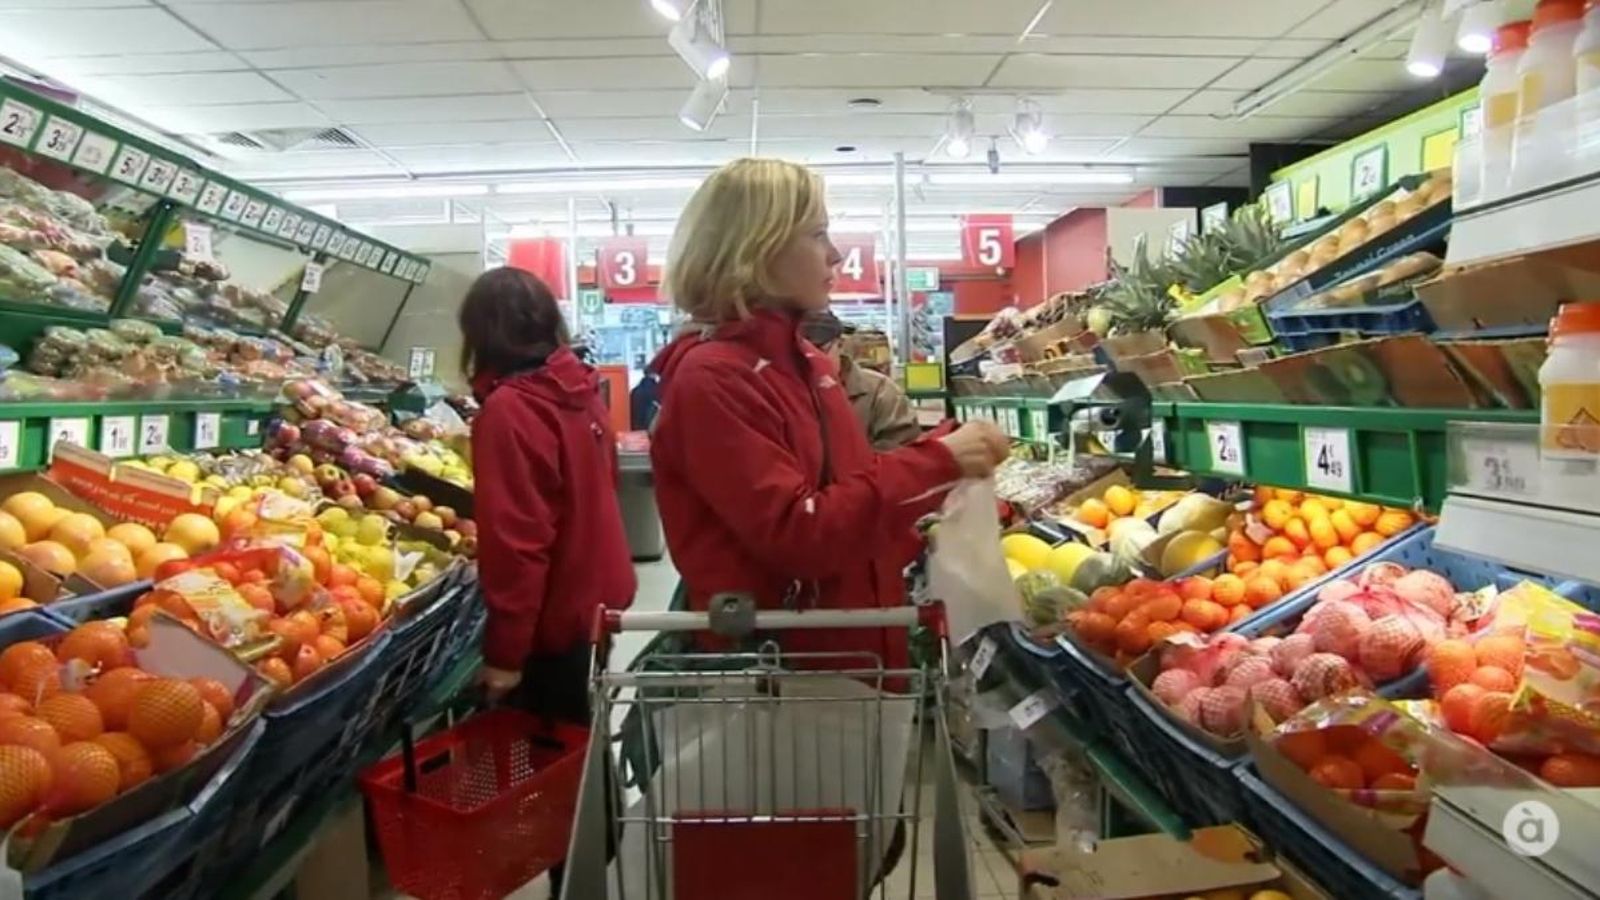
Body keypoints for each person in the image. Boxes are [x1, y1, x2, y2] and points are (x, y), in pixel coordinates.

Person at [647, 157, 1009, 669]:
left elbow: (848, 501)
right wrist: (936, 462)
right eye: (817, 234)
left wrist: (938, 502)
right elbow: (800, 536)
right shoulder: (713, 378)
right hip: (780, 672)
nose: (836, 253)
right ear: (757, 250)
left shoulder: (807, 363)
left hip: (850, 653)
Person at [459, 267, 636, 717]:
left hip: (554, 620)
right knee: (584, 738)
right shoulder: (580, 391)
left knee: (552, 747)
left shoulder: (510, 409)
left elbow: (518, 544)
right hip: (596, 602)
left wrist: (506, 655)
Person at [799, 310, 921, 450]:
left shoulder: (881, 393)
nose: (810, 361)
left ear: (840, 344)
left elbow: (902, 452)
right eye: (799, 353)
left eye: (820, 350)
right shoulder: (783, 393)